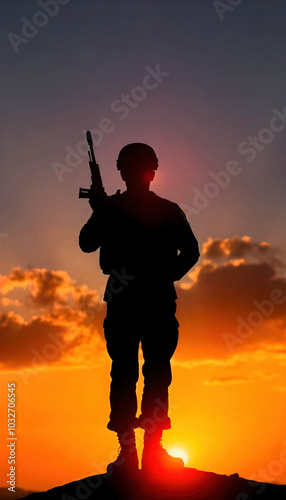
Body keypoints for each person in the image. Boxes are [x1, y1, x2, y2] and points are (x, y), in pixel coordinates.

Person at [79, 143, 200, 476]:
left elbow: (190, 251)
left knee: (148, 374)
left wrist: (164, 276)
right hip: (135, 300)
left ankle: (147, 452)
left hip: (147, 299)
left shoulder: (164, 210)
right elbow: (87, 243)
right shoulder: (116, 207)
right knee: (133, 374)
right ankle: (132, 453)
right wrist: (100, 209)